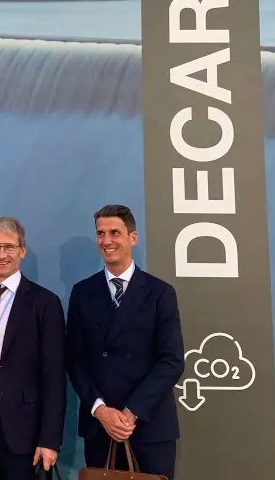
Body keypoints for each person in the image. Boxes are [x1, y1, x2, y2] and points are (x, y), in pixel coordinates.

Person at [65, 205, 185, 480]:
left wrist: (131, 413)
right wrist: (100, 410)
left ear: (133, 237)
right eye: (101, 233)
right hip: (100, 427)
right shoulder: (83, 292)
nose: (106, 241)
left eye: (114, 233)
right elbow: (75, 358)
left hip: (149, 425)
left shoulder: (160, 292)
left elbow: (172, 360)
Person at [0, 216, 67, 480]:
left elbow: (54, 377)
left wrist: (49, 440)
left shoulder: (44, 303)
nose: (1, 254)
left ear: (22, 250)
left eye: (9, 247)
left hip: (24, 435)